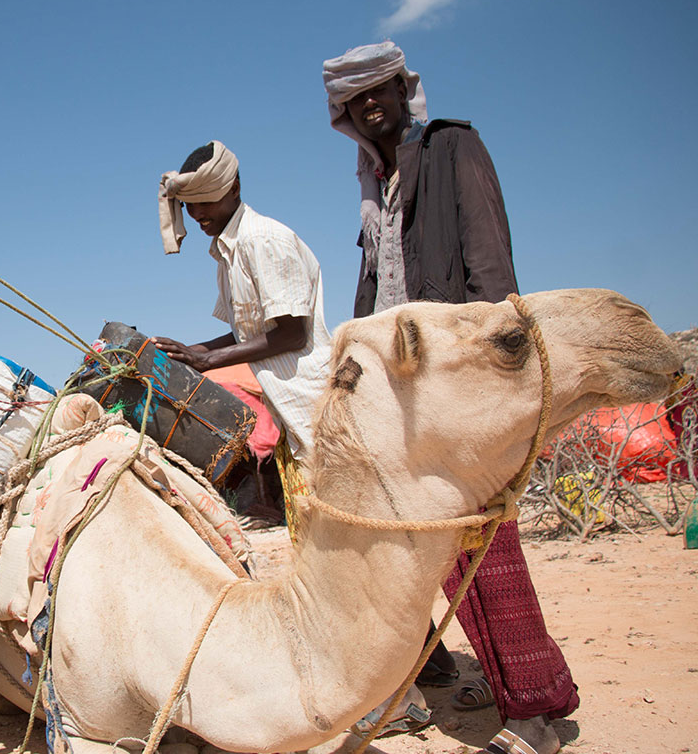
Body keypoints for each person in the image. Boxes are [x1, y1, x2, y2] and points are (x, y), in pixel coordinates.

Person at [323, 42, 579, 754]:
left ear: (405, 89)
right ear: (343, 115)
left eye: (381, 90)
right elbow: (375, 296)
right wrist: (344, 380)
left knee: (485, 547)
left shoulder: (452, 147)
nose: (370, 105)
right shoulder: (373, 187)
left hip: (458, 387)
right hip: (405, 397)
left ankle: (536, 709)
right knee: (423, 550)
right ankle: (479, 682)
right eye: (356, 99)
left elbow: (490, 268)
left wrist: (485, 379)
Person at [152, 140, 332, 538]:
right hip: (290, 416)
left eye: (206, 202)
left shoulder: (262, 241)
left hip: (314, 410)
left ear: (234, 188)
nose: (198, 214)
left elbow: (291, 332)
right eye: (190, 205)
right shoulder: (227, 251)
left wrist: (208, 362)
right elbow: (247, 333)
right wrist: (187, 352)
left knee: (337, 544)